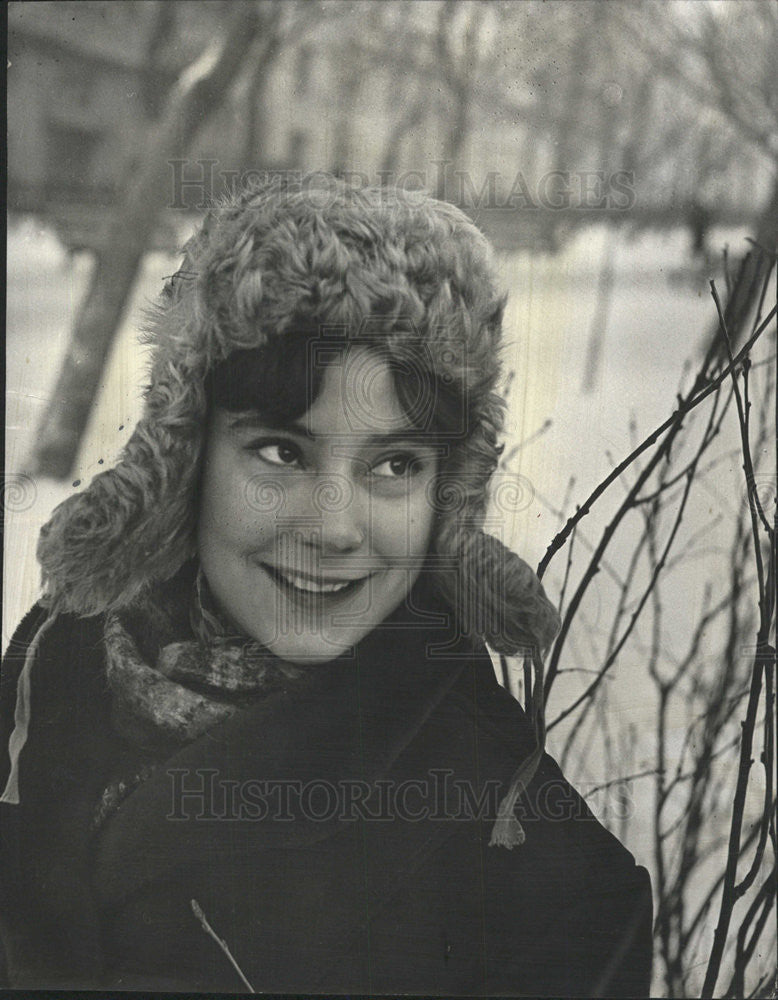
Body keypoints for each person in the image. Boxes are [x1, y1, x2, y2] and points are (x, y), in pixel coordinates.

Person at [0, 174, 652, 994]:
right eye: (283, 452)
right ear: (184, 459)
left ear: (444, 499)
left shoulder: (526, 863)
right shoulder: (43, 670)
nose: (336, 528)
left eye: (394, 464)